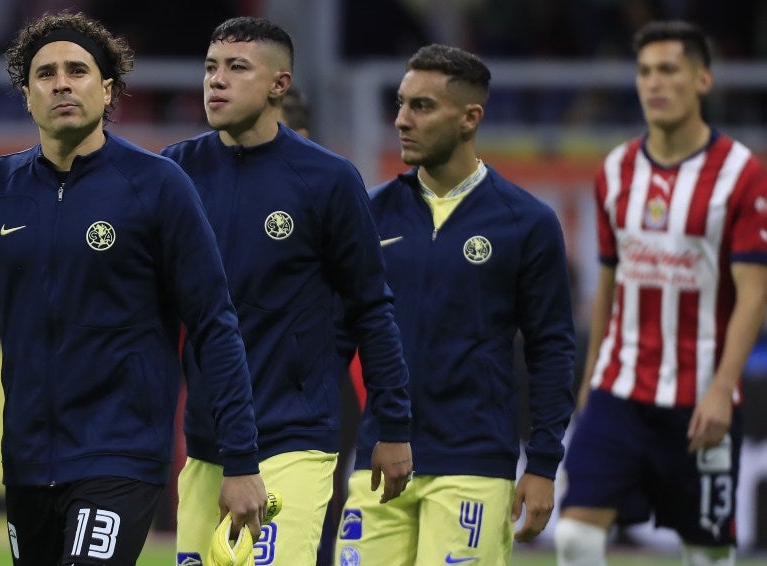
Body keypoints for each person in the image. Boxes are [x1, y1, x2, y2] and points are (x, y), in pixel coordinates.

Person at [0, 11, 267, 566]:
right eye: (45, 74)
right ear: (26, 95)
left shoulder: (157, 186)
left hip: (121, 453)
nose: (61, 82)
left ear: (107, 87)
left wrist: (241, 459)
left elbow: (213, 324)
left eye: (77, 70)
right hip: (26, 460)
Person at [161, 16, 412, 566]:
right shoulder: (174, 172)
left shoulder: (329, 180)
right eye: (210, 68)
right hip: (206, 444)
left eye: (236, 67)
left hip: (295, 436)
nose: (216, 81)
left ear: (279, 85)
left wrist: (391, 427)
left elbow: (372, 308)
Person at [333, 43, 578, 566]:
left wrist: (542, 464)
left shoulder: (526, 223)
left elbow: (552, 350)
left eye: (421, 106)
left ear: (470, 118)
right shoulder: (370, 213)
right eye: (400, 104)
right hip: (379, 459)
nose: (401, 120)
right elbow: (331, 338)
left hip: (473, 463)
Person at [555, 20, 767, 566]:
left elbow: (754, 293)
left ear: (702, 79)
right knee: (575, 537)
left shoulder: (742, 175)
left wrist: (723, 387)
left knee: (709, 554)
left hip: (702, 400)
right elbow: (608, 282)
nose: (655, 83)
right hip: (618, 391)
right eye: (645, 71)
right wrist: (592, 376)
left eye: (669, 69)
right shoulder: (617, 170)